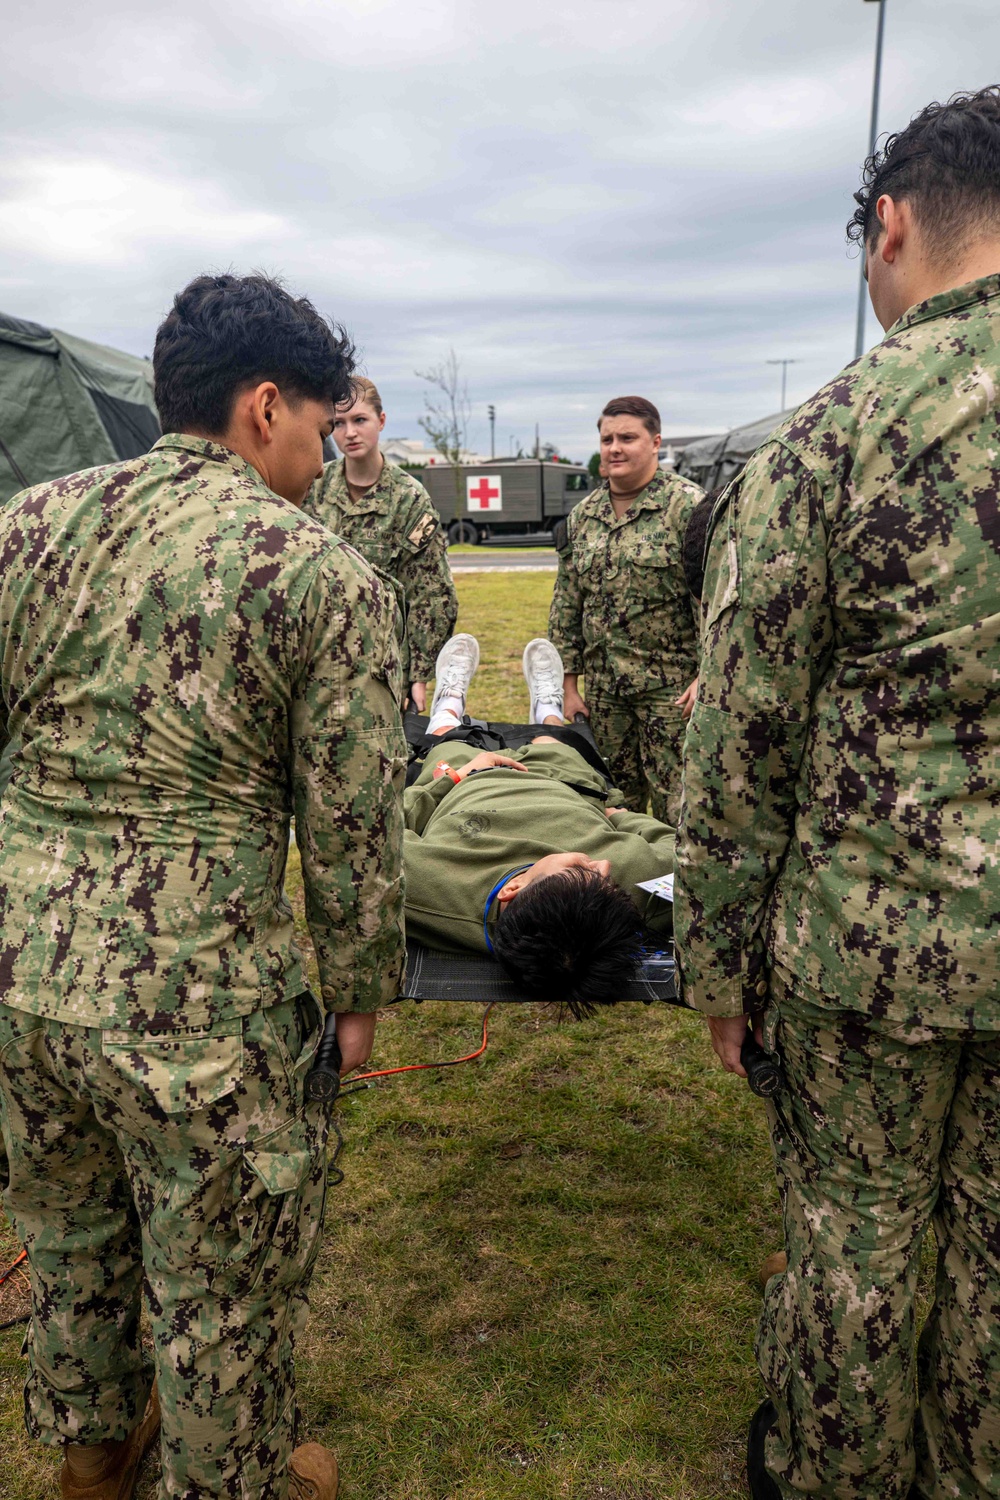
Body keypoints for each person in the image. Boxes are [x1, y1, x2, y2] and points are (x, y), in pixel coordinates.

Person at [0, 273, 406, 1500]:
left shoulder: (24, 528)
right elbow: (351, 831)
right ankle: (230, 1480)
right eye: (322, 429)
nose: (328, 457)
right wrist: (357, 996)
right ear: (264, 406)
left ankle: (92, 1454)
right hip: (197, 1007)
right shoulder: (320, 574)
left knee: (68, 1240)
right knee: (220, 1279)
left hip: (23, 982)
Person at [675, 88, 1000, 1500]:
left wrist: (719, 969)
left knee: (854, 1247)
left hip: (869, 953)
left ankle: (835, 1473)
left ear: (889, 229)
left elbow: (741, 739)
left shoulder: (830, 437)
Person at [403, 634, 675, 1014]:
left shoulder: (426, 887)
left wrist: (456, 778)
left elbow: (376, 836)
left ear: (512, 888)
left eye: (581, 870)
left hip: (472, 780)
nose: (604, 865)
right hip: (564, 781)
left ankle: (447, 704)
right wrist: (618, 814)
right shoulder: (625, 894)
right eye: (608, 881)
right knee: (553, 736)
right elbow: (680, 852)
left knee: (448, 737)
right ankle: (548, 706)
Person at [548, 395, 703, 824]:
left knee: (679, 809)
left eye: (627, 438)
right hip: (604, 694)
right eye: (607, 438)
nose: (615, 447)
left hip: (670, 692)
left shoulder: (689, 508)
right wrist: (568, 683)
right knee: (611, 805)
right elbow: (567, 601)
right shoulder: (583, 516)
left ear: (655, 442)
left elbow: (710, 598)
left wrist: (705, 674)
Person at [304, 376, 458, 711]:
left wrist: (419, 676)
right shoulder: (313, 489)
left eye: (360, 420)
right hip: (319, 661)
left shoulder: (409, 499)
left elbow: (431, 594)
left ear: (381, 421)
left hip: (385, 668)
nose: (350, 433)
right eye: (339, 423)